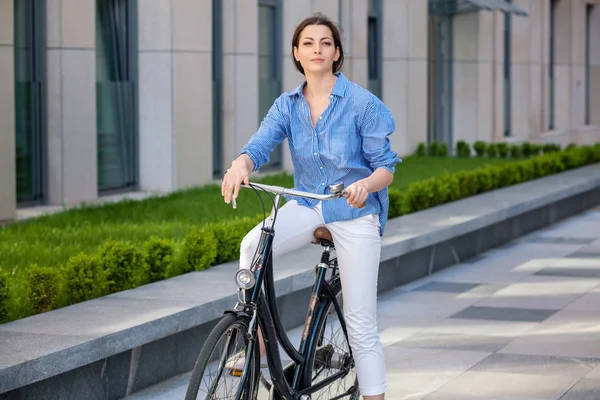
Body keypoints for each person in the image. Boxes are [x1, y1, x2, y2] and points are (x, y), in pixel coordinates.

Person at [221, 12, 400, 400]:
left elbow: (386, 168)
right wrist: (240, 164)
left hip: (354, 211)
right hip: (308, 202)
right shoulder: (287, 105)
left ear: (336, 53)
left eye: (325, 43)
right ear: (296, 54)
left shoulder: (361, 103)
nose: (316, 49)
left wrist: (364, 186)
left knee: (359, 322)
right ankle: (254, 344)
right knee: (252, 245)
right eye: (308, 43)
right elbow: (259, 146)